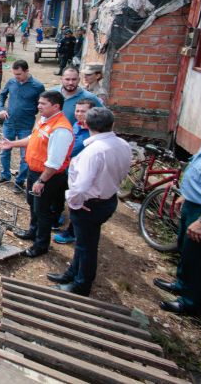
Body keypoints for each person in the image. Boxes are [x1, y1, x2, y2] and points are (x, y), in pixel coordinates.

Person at [47, 108, 132, 296]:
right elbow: (125, 171)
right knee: (84, 242)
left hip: (89, 203)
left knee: (87, 247)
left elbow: (81, 186)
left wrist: (74, 203)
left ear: (85, 124)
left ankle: (81, 285)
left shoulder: (93, 152)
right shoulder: (123, 144)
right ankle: (71, 273)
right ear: (112, 124)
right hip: (108, 199)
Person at [0, 90, 74, 257]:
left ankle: (41, 245)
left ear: (56, 106)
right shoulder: (44, 120)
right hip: (35, 172)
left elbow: (55, 163)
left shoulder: (60, 130)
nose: (38, 106)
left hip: (48, 177)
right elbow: (32, 139)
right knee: (33, 205)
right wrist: (12, 144)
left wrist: (42, 181)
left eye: (43, 104)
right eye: (39, 103)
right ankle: (32, 232)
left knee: (43, 211)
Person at [154, 115, 201, 316]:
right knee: (186, 249)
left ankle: (191, 303)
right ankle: (181, 284)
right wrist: (186, 195)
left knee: (200, 259)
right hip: (193, 204)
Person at [0, 60, 45, 193]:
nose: (16, 77)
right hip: (9, 123)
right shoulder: (11, 82)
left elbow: (42, 106)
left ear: (27, 71)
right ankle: (5, 175)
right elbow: (2, 95)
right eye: (14, 74)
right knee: (5, 150)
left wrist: (39, 124)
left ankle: (19, 181)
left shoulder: (37, 86)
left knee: (26, 156)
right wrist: (1, 108)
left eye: (19, 74)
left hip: (26, 125)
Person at [54, 98, 96, 245]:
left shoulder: (94, 132)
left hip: (83, 173)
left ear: (92, 112)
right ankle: (57, 216)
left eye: (83, 111)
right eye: (77, 111)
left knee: (78, 203)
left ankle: (71, 232)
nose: (79, 114)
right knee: (60, 193)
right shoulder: (76, 125)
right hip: (69, 168)